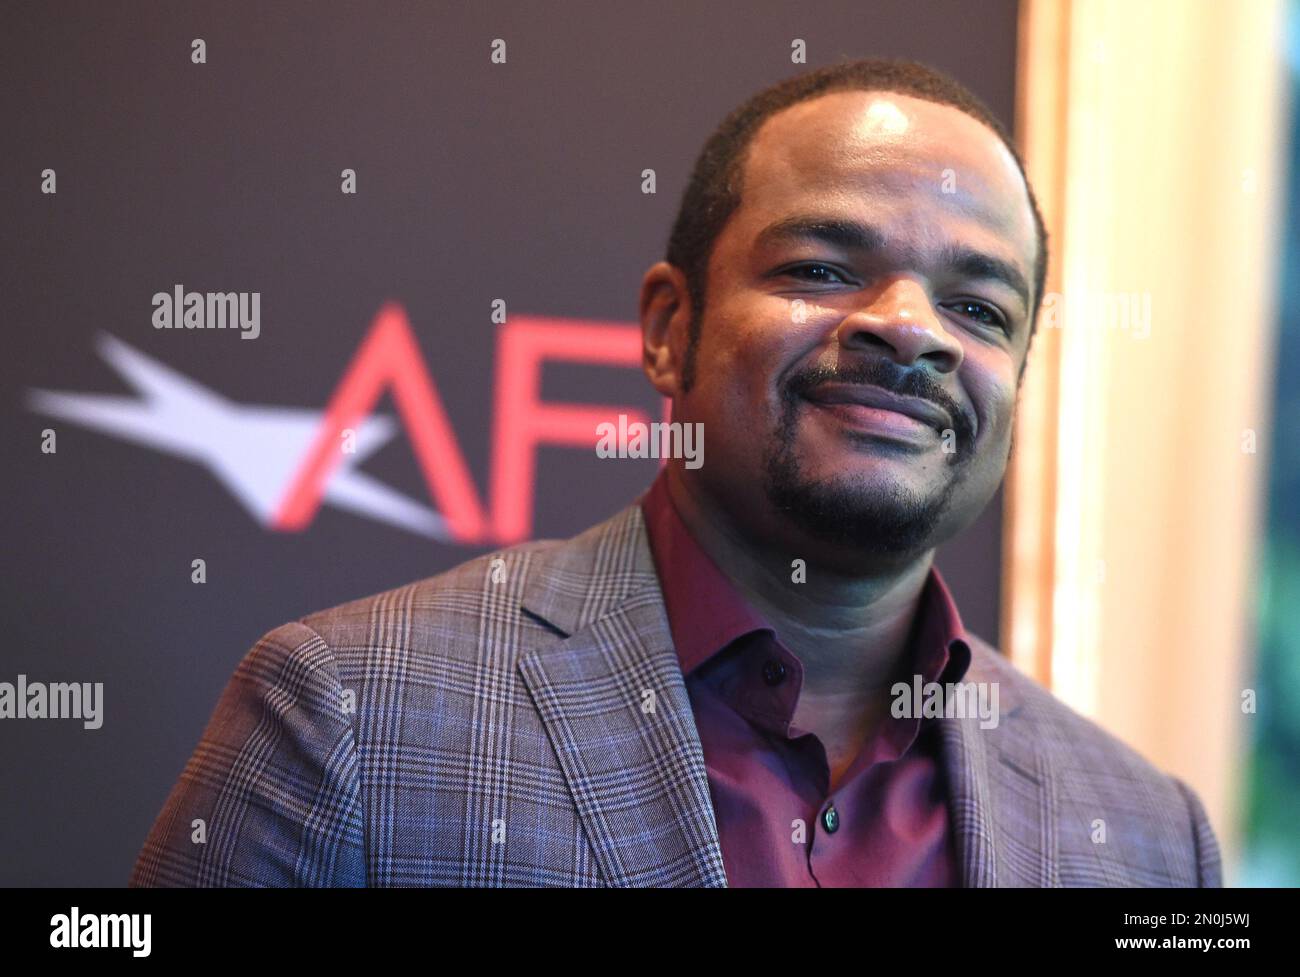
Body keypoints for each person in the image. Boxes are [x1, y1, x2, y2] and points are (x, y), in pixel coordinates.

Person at [130, 57, 1221, 887]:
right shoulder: (348, 715)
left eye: (977, 307)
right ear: (668, 327)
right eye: (822, 266)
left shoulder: (1150, 838)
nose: (907, 328)